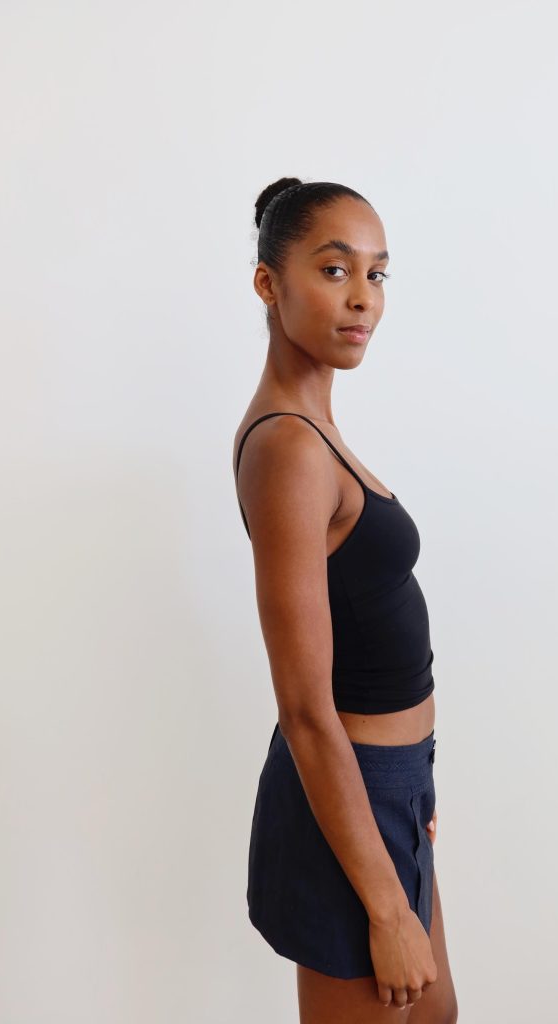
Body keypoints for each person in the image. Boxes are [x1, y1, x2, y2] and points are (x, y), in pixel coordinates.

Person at [233, 177, 459, 1023]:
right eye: (334, 270)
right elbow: (303, 708)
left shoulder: (315, 430)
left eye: (376, 273)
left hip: (390, 784)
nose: (362, 297)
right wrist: (387, 908)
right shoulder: (289, 449)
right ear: (269, 283)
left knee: (433, 1015)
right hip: (347, 788)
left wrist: (413, 787)